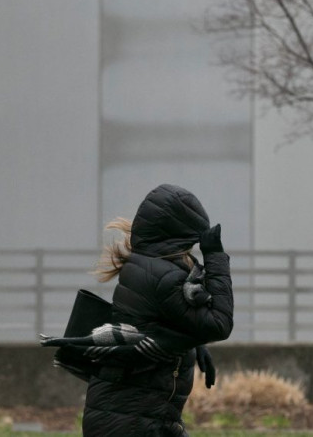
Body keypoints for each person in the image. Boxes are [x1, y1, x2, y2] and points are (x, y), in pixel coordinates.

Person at [43, 184, 233, 436]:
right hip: (131, 421)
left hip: (136, 416)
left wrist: (195, 343)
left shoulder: (146, 266)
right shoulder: (163, 276)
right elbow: (219, 323)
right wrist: (215, 257)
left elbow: (157, 322)